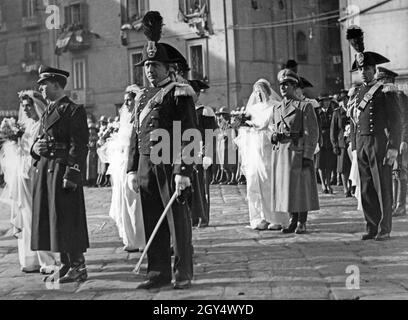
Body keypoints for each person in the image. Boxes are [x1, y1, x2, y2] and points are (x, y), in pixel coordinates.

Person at [126, 11, 197, 290]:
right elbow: (135, 133)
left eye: (155, 65)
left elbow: (189, 134)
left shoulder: (179, 93)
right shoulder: (142, 97)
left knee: (178, 224)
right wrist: (132, 167)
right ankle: (157, 273)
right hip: (146, 165)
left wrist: (183, 171)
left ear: (169, 69)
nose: (149, 69)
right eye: (146, 65)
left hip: (170, 164)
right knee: (151, 220)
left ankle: (183, 274)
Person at [31, 65, 89, 282]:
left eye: (44, 84)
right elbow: (38, 140)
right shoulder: (47, 110)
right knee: (54, 220)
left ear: (56, 84)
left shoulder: (73, 110)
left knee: (68, 218)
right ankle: (65, 264)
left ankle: (78, 266)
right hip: (47, 170)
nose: (41, 88)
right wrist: (34, 150)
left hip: (63, 171)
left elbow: (79, 145)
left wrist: (72, 174)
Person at [347, 25, 401, 241]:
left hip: (379, 141)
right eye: (361, 69)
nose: (363, 72)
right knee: (367, 187)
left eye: (367, 68)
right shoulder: (357, 93)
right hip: (361, 143)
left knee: (382, 187)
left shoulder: (385, 91)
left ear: (374, 69)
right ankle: (371, 226)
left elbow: (396, 121)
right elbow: (353, 121)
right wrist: (353, 146)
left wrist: (394, 147)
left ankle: (384, 227)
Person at [0, 90, 57, 273]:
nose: (26, 110)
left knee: (39, 217)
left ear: (37, 106)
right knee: (26, 217)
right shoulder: (25, 127)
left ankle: (48, 261)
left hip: (37, 175)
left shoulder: (43, 125)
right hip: (23, 176)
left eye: (29, 106)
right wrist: (14, 140)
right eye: (24, 107)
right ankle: (29, 259)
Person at [270, 69, 320, 234]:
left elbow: (312, 133)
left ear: (294, 86)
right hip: (281, 152)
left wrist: (308, 155)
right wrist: (273, 136)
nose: (283, 88)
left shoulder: (304, 106)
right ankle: (292, 219)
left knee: (300, 188)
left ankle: (302, 221)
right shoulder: (276, 108)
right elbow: (272, 128)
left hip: (297, 150)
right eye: (281, 85)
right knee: (287, 189)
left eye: (287, 84)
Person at [235, 79, 286, 230]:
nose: (259, 94)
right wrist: (247, 127)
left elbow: (278, 127)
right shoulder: (252, 109)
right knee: (254, 183)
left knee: (269, 183)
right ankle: (260, 217)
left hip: (269, 148)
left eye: (261, 91)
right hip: (254, 149)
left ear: (268, 92)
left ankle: (276, 218)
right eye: (256, 92)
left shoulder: (275, 106)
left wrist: (264, 128)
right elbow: (244, 130)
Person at [108, 87, 145, 252]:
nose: (127, 103)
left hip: (134, 164)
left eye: (130, 99)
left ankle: (141, 239)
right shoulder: (124, 119)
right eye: (126, 100)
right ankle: (130, 239)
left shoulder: (141, 118)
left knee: (137, 203)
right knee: (123, 201)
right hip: (121, 164)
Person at [376, 67, 408, 217]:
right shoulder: (385, 96)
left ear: (388, 80)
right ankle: (395, 204)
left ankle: (401, 205)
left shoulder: (398, 95)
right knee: (394, 172)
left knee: (401, 172)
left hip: (401, 141)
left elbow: (404, 121)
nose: (379, 83)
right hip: (390, 140)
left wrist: (403, 140)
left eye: (381, 80)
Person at [189, 79, 216, 228]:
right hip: (187, 153)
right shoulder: (184, 111)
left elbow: (210, 135)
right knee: (191, 186)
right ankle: (192, 216)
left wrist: (208, 155)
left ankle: (203, 217)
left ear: (198, 94)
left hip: (201, 153)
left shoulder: (205, 111)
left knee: (202, 186)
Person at [331, 90, 352, 197]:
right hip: (342, 144)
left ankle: (352, 186)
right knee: (343, 168)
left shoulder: (352, 110)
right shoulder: (337, 112)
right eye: (342, 100)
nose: (344, 102)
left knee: (353, 166)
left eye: (346, 99)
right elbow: (333, 130)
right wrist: (334, 145)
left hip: (352, 142)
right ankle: (345, 188)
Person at [316, 94, 337, 194]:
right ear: (321, 102)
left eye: (328, 100)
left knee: (329, 164)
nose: (327, 102)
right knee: (320, 163)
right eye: (325, 101)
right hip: (320, 139)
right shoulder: (317, 112)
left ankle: (328, 184)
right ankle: (323, 185)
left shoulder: (332, 112)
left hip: (330, 139)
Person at [86, 122, 99, 187]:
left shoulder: (96, 137)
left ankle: (94, 181)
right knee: (89, 168)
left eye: (92, 129)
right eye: (90, 129)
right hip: (89, 153)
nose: (91, 130)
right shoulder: (88, 136)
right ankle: (89, 181)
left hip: (94, 153)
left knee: (94, 168)